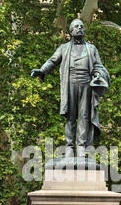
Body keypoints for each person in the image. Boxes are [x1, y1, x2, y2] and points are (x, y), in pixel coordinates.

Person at [31, 19, 110, 157]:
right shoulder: (64, 48)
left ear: (84, 30)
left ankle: (81, 147)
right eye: (76, 26)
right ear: (71, 31)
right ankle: (69, 148)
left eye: (82, 26)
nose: (79, 28)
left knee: (84, 116)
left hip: (86, 85)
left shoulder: (91, 49)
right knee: (70, 116)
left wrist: (98, 75)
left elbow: (98, 66)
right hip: (70, 84)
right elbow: (52, 61)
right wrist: (42, 70)